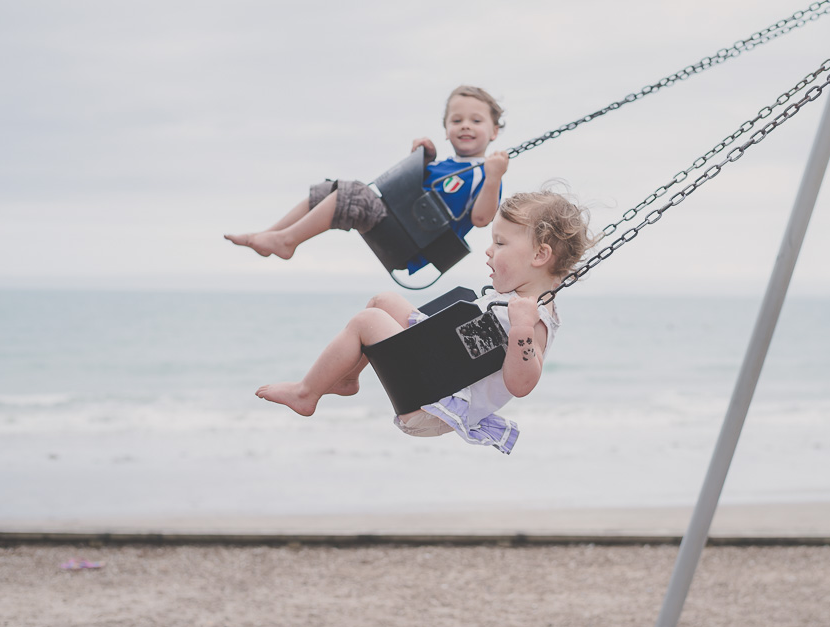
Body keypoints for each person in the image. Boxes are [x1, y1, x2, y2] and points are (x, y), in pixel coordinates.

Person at [255, 189, 595, 454]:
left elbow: (521, 384)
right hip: (438, 374)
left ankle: (306, 393)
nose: (489, 251)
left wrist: (522, 329)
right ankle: (347, 379)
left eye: (501, 243)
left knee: (368, 321)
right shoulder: (513, 300)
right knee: (382, 302)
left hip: (433, 403)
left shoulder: (535, 318)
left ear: (540, 255)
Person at [224, 85, 509, 274]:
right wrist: (421, 160)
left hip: (416, 241)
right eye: (456, 121)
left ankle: (286, 241)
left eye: (476, 120)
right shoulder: (444, 165)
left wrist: (494, 177)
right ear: (446, 130)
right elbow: (407, 191)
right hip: (400, 223)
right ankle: (271, 235)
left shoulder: (485, 173)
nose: (465, 126)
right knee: (330, 191)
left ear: (494, 131)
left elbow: (482, 218)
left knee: (355, 195)